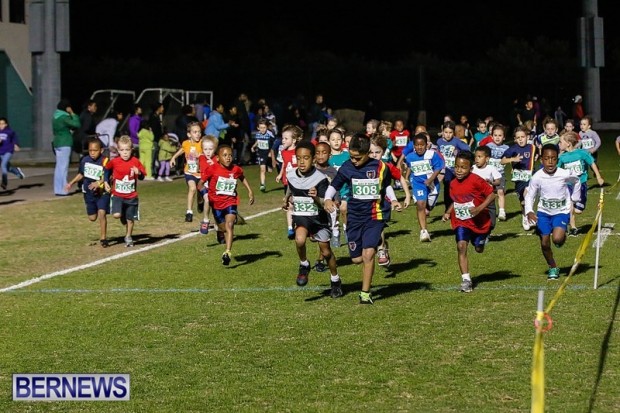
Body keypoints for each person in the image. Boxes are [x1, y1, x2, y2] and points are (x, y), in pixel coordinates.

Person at [323, 133, 396, 304]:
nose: (354, 160)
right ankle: (379, 242)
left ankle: (365, 293)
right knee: (356, 259)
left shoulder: (380, 167)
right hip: (354, 216)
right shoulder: (347, 167)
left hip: (374, 215)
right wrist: (327, 198)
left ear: (367, 153)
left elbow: (386, 186)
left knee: (368, 254)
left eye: (358, 158)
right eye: (351, 157)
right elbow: (335, 185)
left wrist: (393, 200)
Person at [283, 140, 343, 298]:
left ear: (313, 159)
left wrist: (316, 197)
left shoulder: (320, 178)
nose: (302, 162)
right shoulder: (291, 175)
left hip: (318, 219)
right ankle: (304, 264)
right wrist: (286, 198)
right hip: (302, 216)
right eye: (299, 158)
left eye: (306, 158)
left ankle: (335, 280)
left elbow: (325, 202)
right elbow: (290, 187)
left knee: (326, 252)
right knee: (299, 240)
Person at [441, 151, 496, 293]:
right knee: (461, 246)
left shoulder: (476, 180)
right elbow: (456, 200)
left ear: (470, 168)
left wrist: (479, 209)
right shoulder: (453, 183)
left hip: (479, 222)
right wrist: (448, 212)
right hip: (461, 221)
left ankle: (482, 239)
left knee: (478, 248)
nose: (459, 170)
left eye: (463, 167)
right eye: (456, 166)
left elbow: (492, 195)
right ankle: (466, 280)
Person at [524, 144, 581, 280]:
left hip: (561, 211)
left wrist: (575, 198)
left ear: (557, 159)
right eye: (546, 158)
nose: (550, 162)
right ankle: (553, 267)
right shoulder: (537, 177)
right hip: (543, 213)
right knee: (544, 242)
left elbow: (576, 181)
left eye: (553, 159)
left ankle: (562, 235)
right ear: (541, 160)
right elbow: (530, 195)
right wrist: (529, 211)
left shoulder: (564, 174)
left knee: (557, 239)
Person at [198, 144, 255, 265]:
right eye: (224, 155)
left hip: (230, 201)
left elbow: (242, 177)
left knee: (229, 226)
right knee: (223, 228)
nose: (228, 157)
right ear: (217, 158)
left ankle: (227, 252)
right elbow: (200, 184)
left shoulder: (235, 169)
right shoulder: (212, 169)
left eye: (230, 155)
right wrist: (203, 196)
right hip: (216, 204)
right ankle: (220, 231)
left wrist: (250, 191)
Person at [368, 133, 411, 266]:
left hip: (382, 204)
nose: (374, 155)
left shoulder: (386, 166)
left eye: (377, 152)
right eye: (370, 152)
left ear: (383, 152)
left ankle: (381, 251)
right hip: (366, 205)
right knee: (371, 233)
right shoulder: (362, 167)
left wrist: (407, 195)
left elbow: (400, 178)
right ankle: (383, 245)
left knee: (378, 228)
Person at [65, 137, 111, 247]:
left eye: (95, 150)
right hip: (89, 193)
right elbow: (81, 174)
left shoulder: (105, 161)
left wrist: (99, 183)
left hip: (102, 193)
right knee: (92, 218)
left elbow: (108, 177)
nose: (92, 153)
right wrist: (71, 183)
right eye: (90, 150)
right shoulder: (85, 160)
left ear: (101, 150)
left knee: (102, 213)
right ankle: (95, 209)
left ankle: (103, 238)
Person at [557, 131, 604, 236]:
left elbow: (592, 163)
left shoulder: (582, 153)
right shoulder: (562, 157)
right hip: (569, 185)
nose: (559, 144)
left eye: (560, 142)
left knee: (578, 210)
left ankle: (569, 213)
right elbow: (557, 171)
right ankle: (573, 227)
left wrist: (598, 176)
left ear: (568, 143)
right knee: (570, 206)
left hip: (581, 184)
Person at [104, 135, 146, 247]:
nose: (125, 153)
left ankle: (128, 237)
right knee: (116, 215)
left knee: (130, 219)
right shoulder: (114, 161)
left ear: (132, 149)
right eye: (122, 150)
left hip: (131, 196)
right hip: (117, 195)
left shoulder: (135, 161)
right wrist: (106, 181)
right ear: (118, 150)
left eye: (127, 150)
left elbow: (142, 176)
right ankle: (121, 213)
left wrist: (139, 172)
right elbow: (106, 169)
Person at [403, 133, 444, 242]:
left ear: (426, 145)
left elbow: (438, 168)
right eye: (417, 145)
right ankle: (423, 231)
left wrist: (430, 180)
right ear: (414, 146)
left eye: (422, 145)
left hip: (432, 185)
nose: (419, 147)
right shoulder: (410, 157)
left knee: (428, 207)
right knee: (421, 205)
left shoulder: (432, 155)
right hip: (418, 184)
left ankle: (428, 208)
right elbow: (410, 167)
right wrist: (406, 177)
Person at [501, 125, 537, 231]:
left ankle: (530, 215)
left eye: (523, 137)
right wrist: (512, 159)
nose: (521, 139)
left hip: (530, 176)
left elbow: (537, 156)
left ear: (527, 137)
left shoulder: (532, 147)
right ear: (515, 139)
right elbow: (502, 161)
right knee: (523, 201)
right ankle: (525, 216)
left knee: (527, 194)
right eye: (518, 138)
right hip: (519, 178)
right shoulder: (513, 149)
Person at [170, 121, 204, 223]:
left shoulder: (203, 143)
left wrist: (200, 156)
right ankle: (189, 212)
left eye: (199, 132)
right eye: (195, 132)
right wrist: (173, 157)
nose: (198, 134)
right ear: (189, 134)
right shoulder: (186, 143)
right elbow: (182, 150)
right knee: (192, 189)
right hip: (189, 172)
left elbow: (209, 153)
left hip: (201, 173)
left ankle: (200, 201)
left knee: (200, 191)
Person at [436, 120, 471, 213]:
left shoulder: (456, 141)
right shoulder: (439, 141)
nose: (448, 135)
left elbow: (467, 149)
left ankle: (459, 205)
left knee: (457, 188)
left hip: (455, 169)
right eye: (446, 132)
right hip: (445, 169)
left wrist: (459, 153)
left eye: (450, 132)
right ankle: (447, 208)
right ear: (442, 132)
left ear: (453, 132)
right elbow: (437, 153)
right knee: (447, 186)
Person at [276, 124, 303, 239]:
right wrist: (280, 174)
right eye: (282, 138)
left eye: (286, 138)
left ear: (294, 140)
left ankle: (301, 225)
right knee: (289, 205)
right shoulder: (283, 152)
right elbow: (284, 164)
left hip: (298, 183)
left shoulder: (298, 152)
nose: (283, 140)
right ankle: (290, 228)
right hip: (287, 183)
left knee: (297, 204)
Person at [52, 99, 81, 196]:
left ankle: (57, 189)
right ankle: (63, 190)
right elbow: (77, 124)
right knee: (63, 167)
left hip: (57, 142)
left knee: (58, 167)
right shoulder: (64, 117)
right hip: (65, 142)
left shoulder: (55, 116)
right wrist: (72, 113)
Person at [471, 145, 502, 233]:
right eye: (476, 157)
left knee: (492, 221)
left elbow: (498, 181)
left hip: (489, 197)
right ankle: (479, 232)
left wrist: (492, 182)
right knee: (477, 216)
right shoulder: (472, 169)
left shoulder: (491, 168)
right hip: (476, 198)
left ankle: (488, 229)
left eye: (479, 157)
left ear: (487, 158)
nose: (477, 159)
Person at [484, 123, 510, 221]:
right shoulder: (488, 146)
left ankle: (502, 212)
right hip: (488, 174)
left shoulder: (507, 148)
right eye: (495, 135)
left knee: (500, 192)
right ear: (492, 136)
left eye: (500, 135)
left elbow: (510, 159)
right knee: (488, 194)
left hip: (500, 174)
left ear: (504, 137)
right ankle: (487, 212)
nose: (497, 137)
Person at [196, 135, 218, 234]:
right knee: (207, 199)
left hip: (215, 186)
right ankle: (205, 221)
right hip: (204, 184)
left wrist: (214, 165)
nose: (208, 152)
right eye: (205, 149)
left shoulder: (217, 159)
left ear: (215, 149)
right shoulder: (201, 157)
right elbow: (198, 164)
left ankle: (217, 222)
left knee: (215, 204)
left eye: (210, 149)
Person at [0, 117, 26, 190]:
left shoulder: (9, 131)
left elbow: (14, 138)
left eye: (3, 124)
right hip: (1, 152)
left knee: (3, 165)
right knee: (7, 168)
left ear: (6, 124)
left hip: (8, 150)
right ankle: (17, 171)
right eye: (0, 124)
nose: (1, 125)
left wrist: (16, 144)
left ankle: (4, 182)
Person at [250, 118, 274, 192]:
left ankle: (268, 165)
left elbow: (273, 143)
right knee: (262, 169)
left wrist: (271, 152)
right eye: (261, 128)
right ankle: (262, 184)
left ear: (267, 127)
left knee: (270, 170)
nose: (262, 129)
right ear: (258, 128)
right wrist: (253, 146)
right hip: (261, 154)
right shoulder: (257, 134)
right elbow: (258, 141)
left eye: (264, 128)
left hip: (268, 153)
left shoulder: (270, 134)